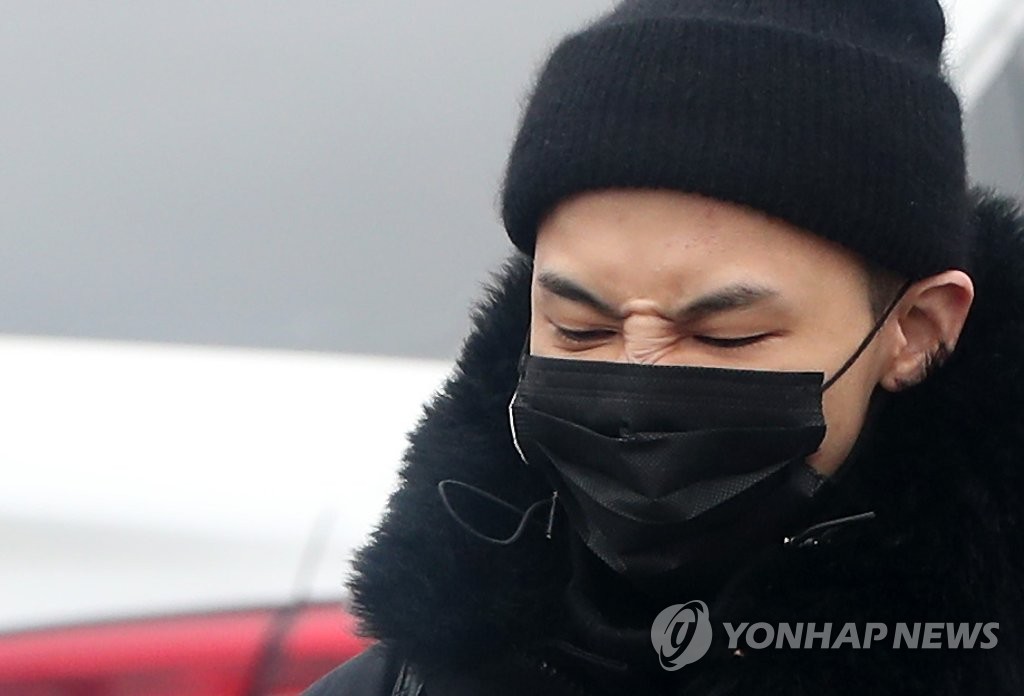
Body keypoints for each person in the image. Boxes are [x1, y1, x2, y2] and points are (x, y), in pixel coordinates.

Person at [306, 1, 1024, 693]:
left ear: (917, 329)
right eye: (580, 328)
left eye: (724, 335)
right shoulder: (407, 681)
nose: (635, 389)